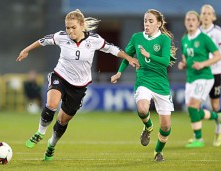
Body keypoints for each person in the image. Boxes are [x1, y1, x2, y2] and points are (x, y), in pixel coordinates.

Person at [16, 9, 139, 161]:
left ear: (81, 25)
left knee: (62, 121)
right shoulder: (61, 37)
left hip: (79, 86)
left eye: (73, 27)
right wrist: (26, 50)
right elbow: (42, 41)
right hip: (60, 76)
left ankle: (51, 145)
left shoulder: (94, 40)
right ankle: (40, 132)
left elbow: (113, 49)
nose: (70, 31)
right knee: (52, 104)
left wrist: (129, 58)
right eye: (67, 27)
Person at [111, 9, 177, 162]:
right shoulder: (137, 38)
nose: (147, 24)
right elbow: (127, 57)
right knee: (142, 108)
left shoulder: (164, 40)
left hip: (161, 84)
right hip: (143, 80)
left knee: (166, 127)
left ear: (159, 24)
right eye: (145, 21)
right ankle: (148, 127)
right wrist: (119, 72)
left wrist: (149, 55)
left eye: (150, 21)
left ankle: (158, 152)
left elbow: (166, 61)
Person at [177, 10, 221, 148]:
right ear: (185, 22)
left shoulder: (204, 38)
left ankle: (199, 139)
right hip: (190, 78)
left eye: (193, 20)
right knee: (191, 110)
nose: (190, 22)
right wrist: (183, 64)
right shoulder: (184, 39)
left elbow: (218, 55)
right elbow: (186, 57)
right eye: (188, 19)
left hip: (204, 77)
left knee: (193, 106)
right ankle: (219, 116)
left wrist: (203, 64)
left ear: (198, 22)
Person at [199, 4, 221, 147]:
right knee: (194, 106)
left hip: (215, 72)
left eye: (208, 13)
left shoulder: (218, 32)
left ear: (214, 17)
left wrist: (208, 61)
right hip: (200, 74)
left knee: (215, 105)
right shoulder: (196, 32)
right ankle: (197, 137)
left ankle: (218, 132)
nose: (205, 16)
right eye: (203, 13)